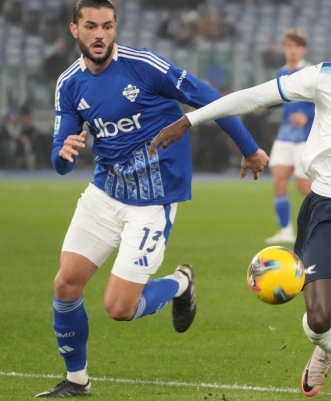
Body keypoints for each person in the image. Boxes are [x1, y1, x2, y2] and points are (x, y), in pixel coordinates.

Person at [150, 7, 331, 400]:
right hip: (327, 207)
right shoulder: (323, 76)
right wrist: (191, 119)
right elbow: (256, 96)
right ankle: (326, 348)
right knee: (319, 319)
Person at [35, 0, 268, 397]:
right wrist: (62, 155)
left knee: (119, 308)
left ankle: (180, 283)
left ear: (115, 27)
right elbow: (60, 156)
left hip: (152, 201)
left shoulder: (144, 65)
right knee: (65, 285)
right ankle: (77, 382)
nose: (100, 35)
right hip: (104, 194)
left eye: (108, 26)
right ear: (75, 30)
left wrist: (247, 147)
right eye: (91, 26)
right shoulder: (69, 83)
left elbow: (209, 97)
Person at [265, 29, 315, 244]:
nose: (292, 50)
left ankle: (321, 225)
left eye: (296, 46)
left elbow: (322, 102)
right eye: (288, 46)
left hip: (305, 137)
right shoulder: (281, 73)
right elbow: (279, 100)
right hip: (285, 135)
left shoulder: (310, 72)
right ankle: (285, 230)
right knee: (278, 179)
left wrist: (307, 115)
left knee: (304, 187)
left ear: (302, 49)